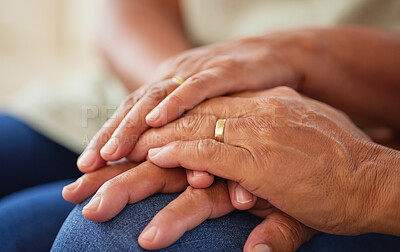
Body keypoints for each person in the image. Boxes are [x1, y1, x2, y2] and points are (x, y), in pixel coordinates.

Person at [1, 0, 400, 251]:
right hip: (134, 93)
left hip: (331, 141)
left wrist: (366, 173)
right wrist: (193, 96)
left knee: (110, 235)